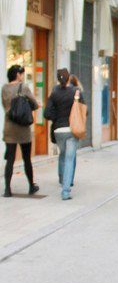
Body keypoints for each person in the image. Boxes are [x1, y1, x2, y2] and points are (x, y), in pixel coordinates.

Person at [43, 68, 84, 200]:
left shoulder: (54, 93)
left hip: (58, 130)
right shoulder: (76, 92)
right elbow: (84, 110)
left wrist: (57, 118)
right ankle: (65, 191)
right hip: (72, 129)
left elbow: (46, 113)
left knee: (62, 154)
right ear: (68, 78)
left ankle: (62, 180)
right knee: (69, 158)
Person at [2, 64, 40, 197]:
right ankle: (31, 186)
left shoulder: (4, 88)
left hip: (9, 128)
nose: (23, 76)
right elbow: (34, 104)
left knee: (10, 160)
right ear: (18, 75)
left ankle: (7, 190)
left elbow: (6, 106)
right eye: (22, 74)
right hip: (23, 128)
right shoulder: (23, 87)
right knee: (26, 159)